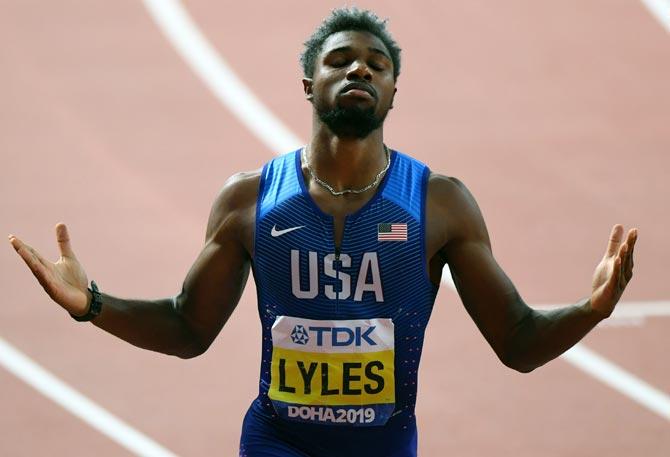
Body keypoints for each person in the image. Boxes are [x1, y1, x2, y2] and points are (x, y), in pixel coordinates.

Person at [8, 7, 637, 457]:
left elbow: (519, 341)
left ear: (393, 92)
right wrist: (91, 305)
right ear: (310, 84)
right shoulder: (251, 199)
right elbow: (187, 327)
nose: (358, 70)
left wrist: (593, 309)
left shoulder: (440, 205)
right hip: (277, 441)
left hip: (385, 445)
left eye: (376, 64)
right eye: (340, 60)